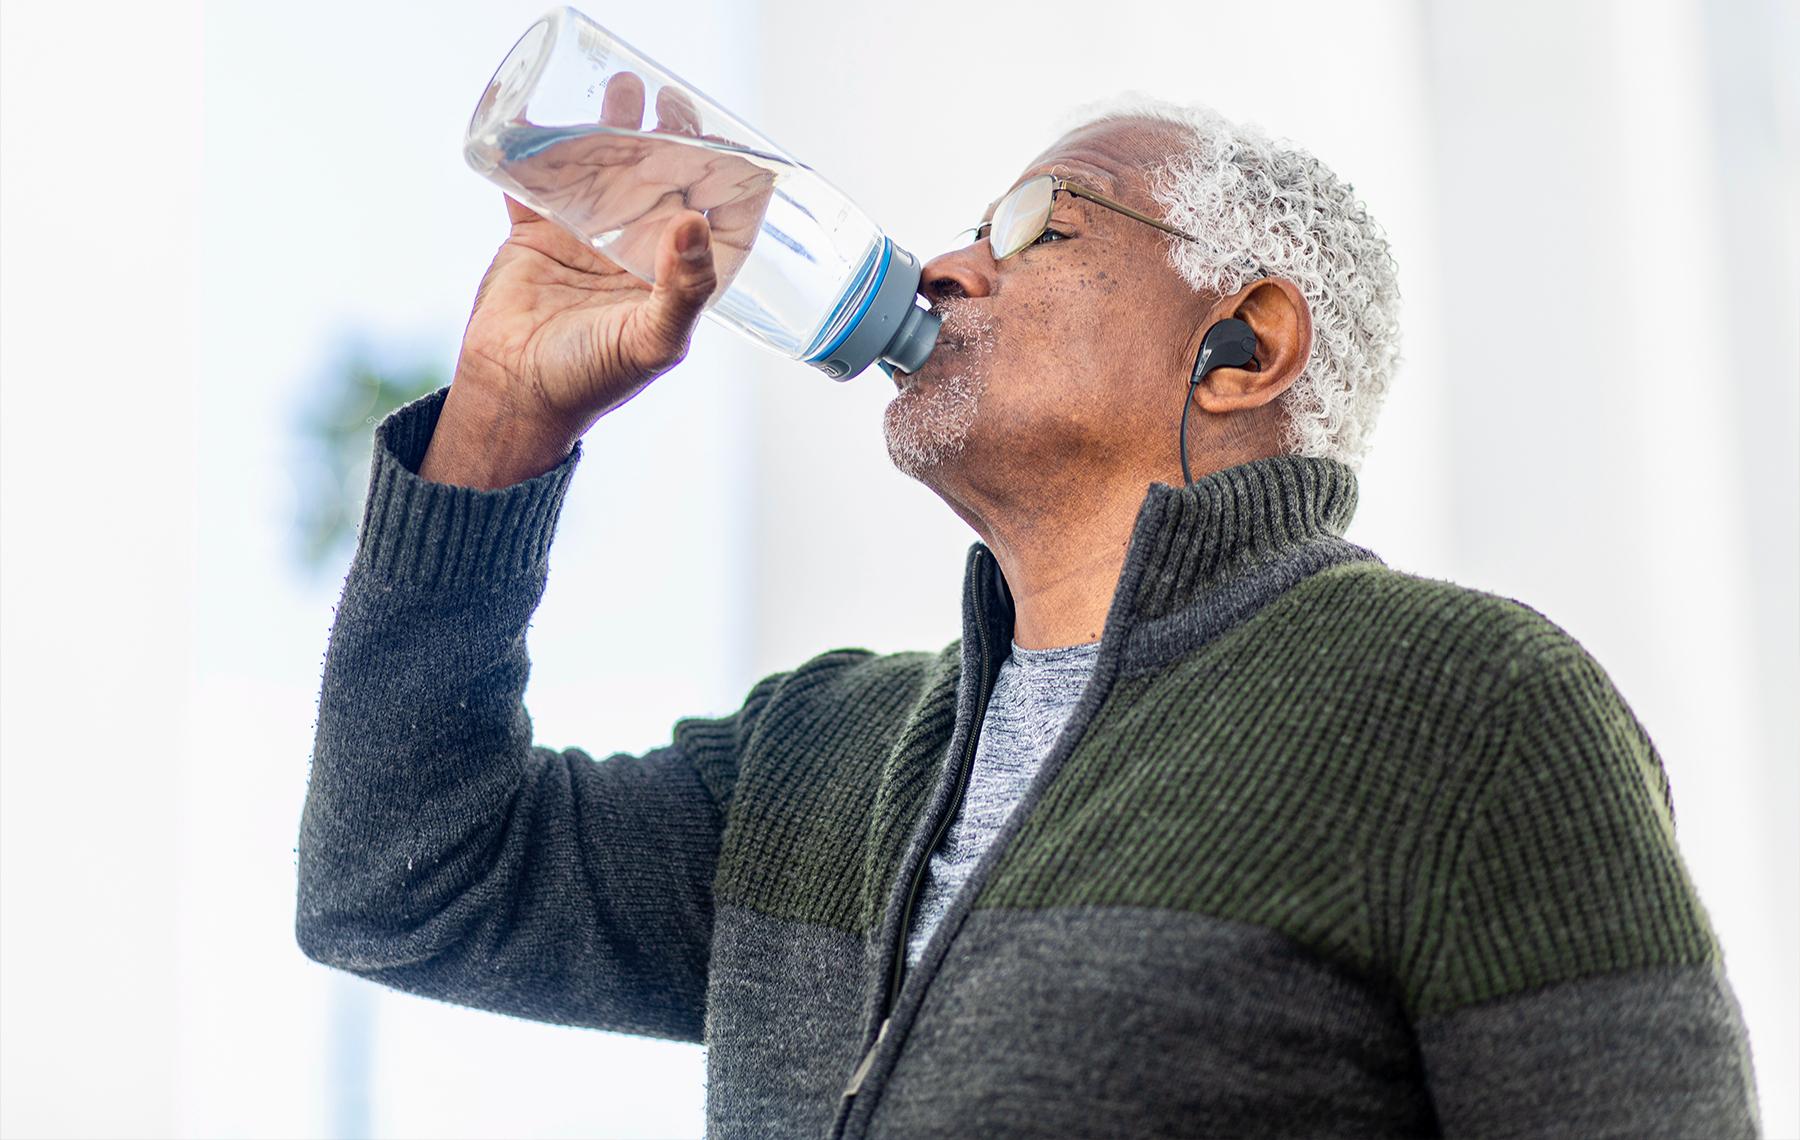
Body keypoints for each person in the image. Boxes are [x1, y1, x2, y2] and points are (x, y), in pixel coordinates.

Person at [296, 97, 1762, 1138]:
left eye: (1034, 227)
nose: (941, 267)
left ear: (1247, 342)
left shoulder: (1466, 707)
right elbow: (402, 882)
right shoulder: (815, 753)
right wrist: (498, 422)